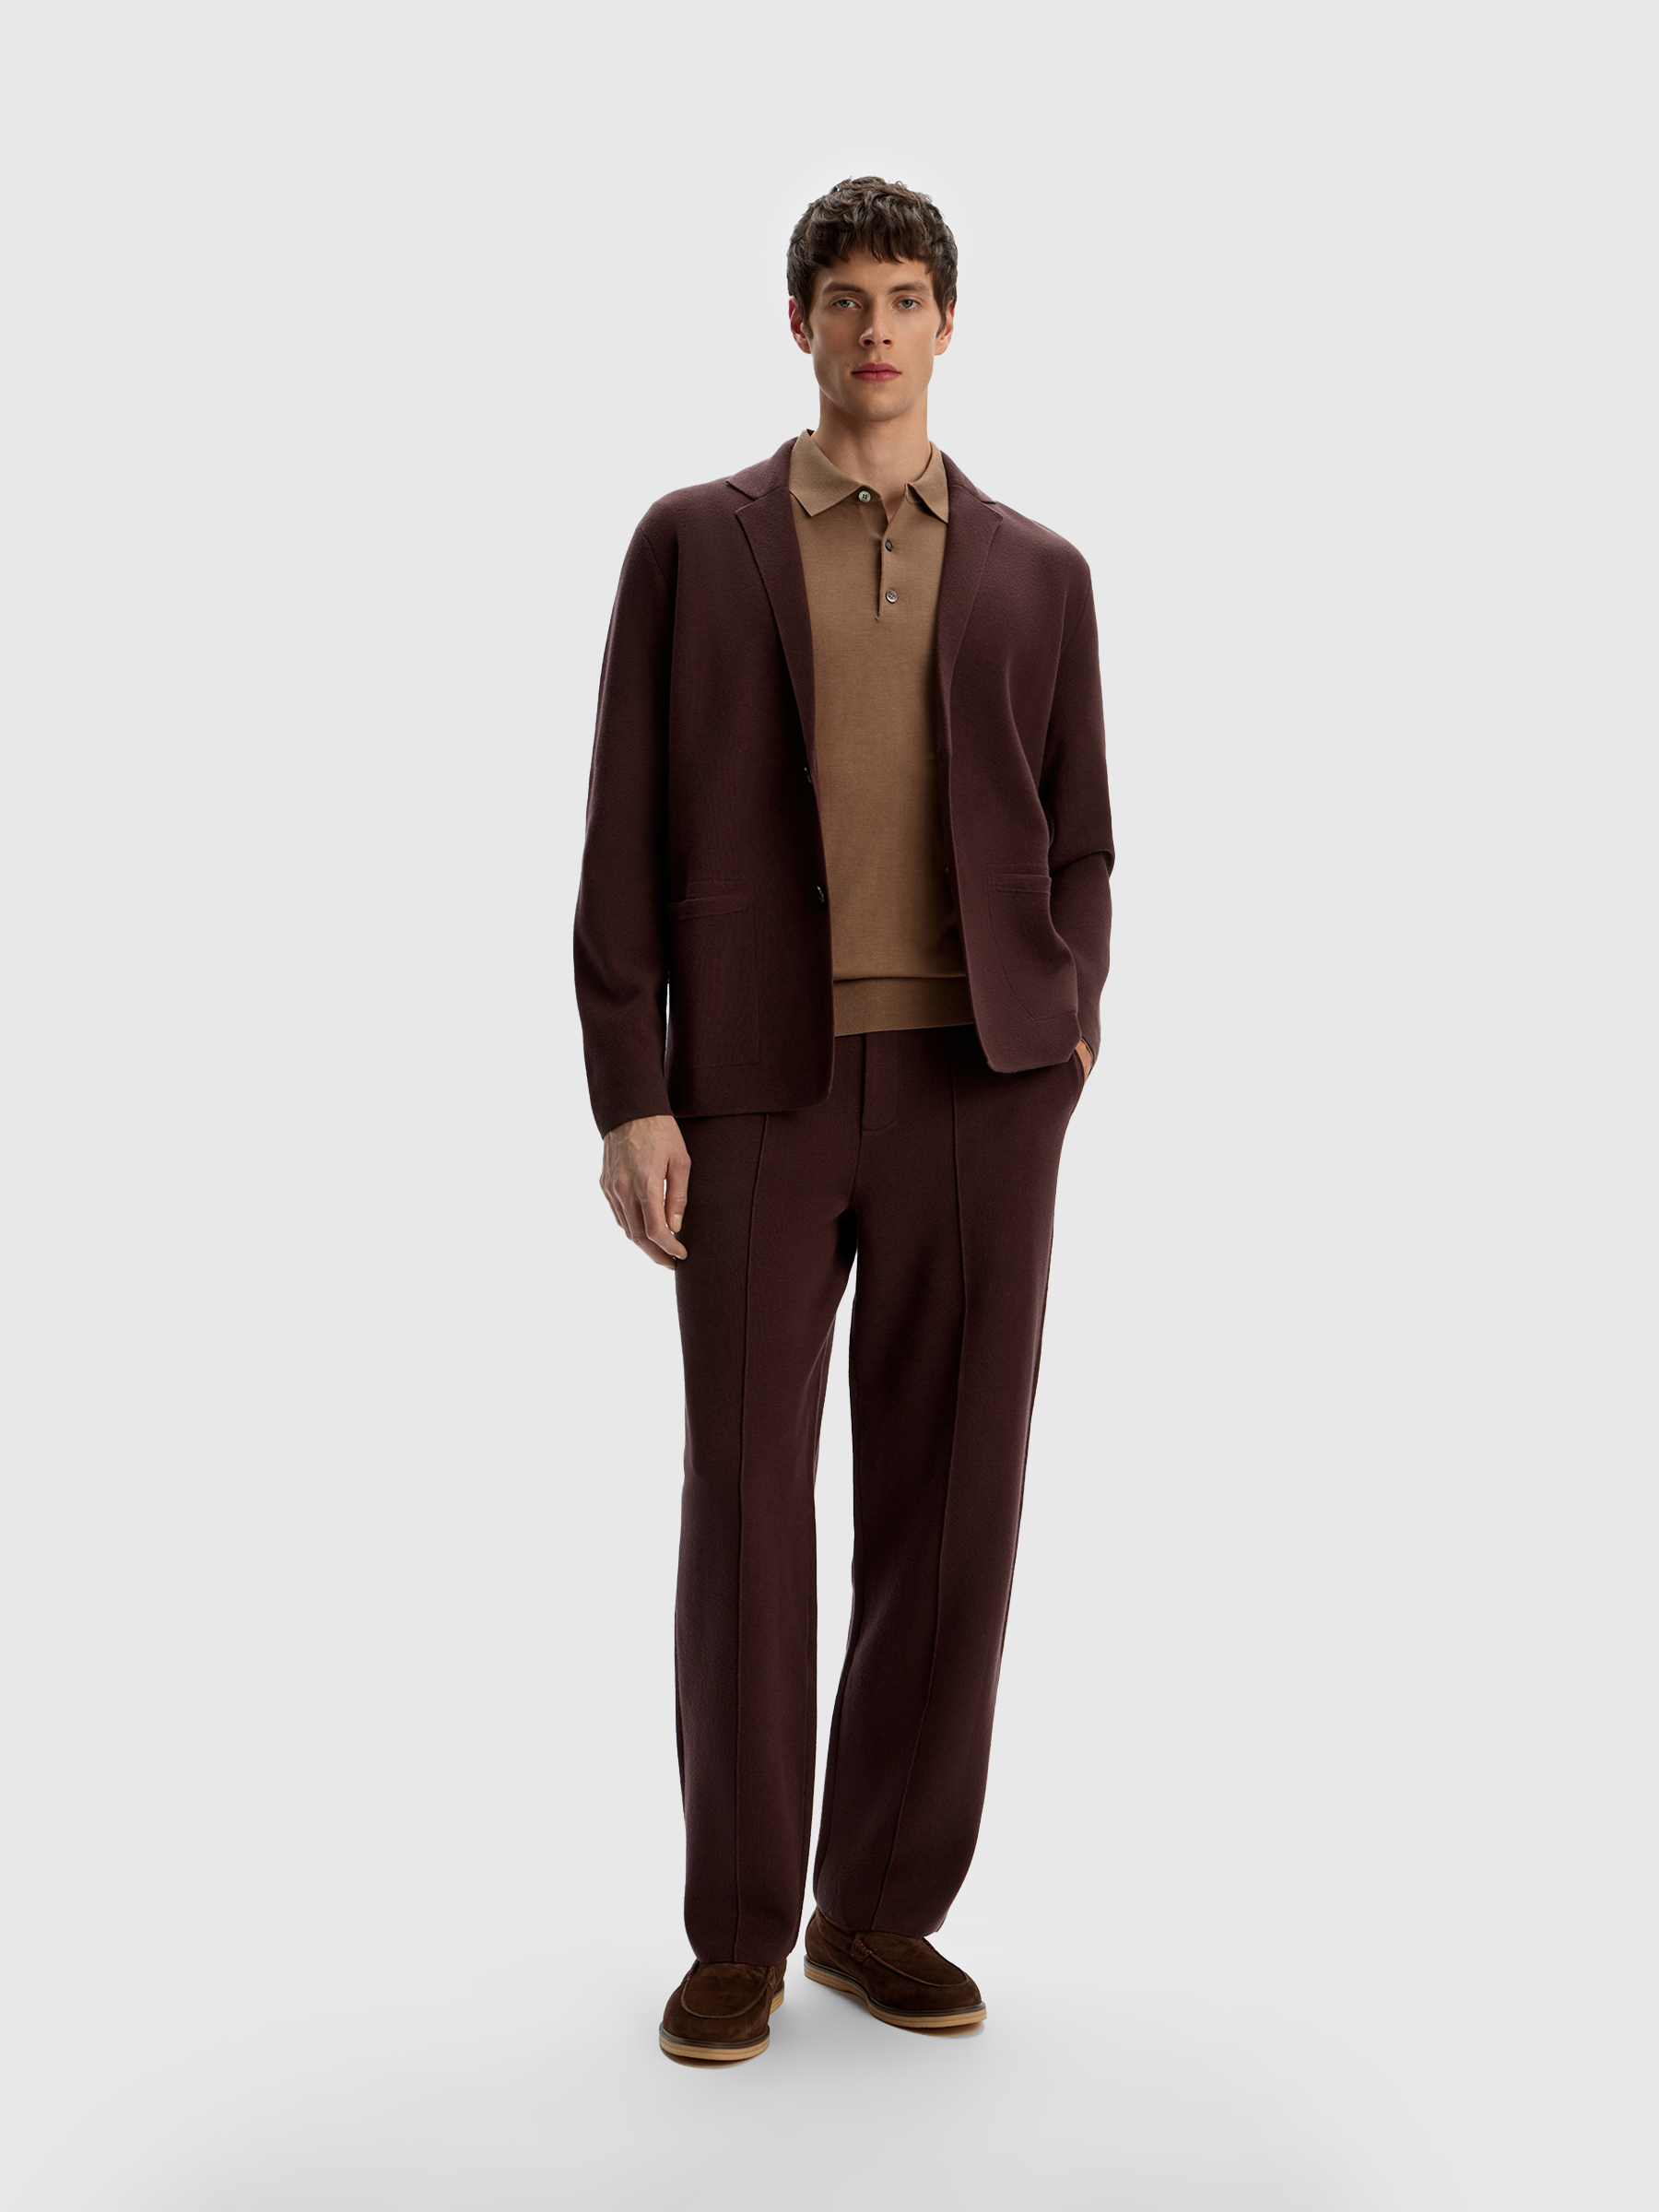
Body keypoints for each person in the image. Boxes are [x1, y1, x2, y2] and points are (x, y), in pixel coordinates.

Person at [573, 175, 1113, 2064]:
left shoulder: (1041, 571)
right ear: (797, 324)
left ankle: (877, 1911)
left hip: (982, 1084)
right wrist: (631, 1090)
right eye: (843, 298)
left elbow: (1083, 834)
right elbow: (621, 833)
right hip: (751, 1089)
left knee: (956, 1501)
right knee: (746, 1497)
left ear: (949, 325)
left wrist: (1071, 1024)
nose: (875, 327)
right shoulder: (695, 543)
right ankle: (738, 1931)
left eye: (904, 296)